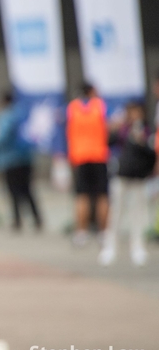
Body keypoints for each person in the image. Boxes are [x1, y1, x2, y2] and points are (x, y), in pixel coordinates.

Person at [99, 102, 156, 266]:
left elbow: (151, 154)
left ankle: (138, 247)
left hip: (139, 177)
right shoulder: (123, 130)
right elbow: (109, 142)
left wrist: (142, 142)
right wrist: (113, 129)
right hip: (122, 175)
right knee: (116, 212)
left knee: (138, 213)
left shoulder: (147, 131)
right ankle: (110, 247)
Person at [0, 92, 42, 231]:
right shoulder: (23, 114)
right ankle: (37, 219)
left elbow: (0, 138)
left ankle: (17, 220)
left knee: (13, 192)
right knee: (28, 190)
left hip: (10, 160)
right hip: (26, 158)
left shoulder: (4, 117)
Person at [65, 83, 110, 246]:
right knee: (102, 195)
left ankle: (81, 232)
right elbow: (106, 128)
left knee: (81, 195)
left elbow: (69, 132)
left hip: (80, 157)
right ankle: (104, 232)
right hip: (98, 156)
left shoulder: (73, 108)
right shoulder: (99, 106)